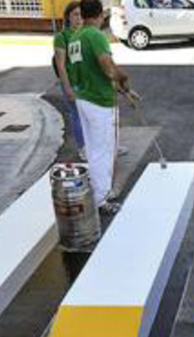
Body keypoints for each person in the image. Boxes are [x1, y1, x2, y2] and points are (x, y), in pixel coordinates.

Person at [68, 0, 130, 213]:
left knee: (94, 150)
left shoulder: (75, 37)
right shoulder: (95, 35)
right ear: (99, 15)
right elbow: (106, 65)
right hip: (99, 101)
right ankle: (101, 198)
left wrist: (117, 85)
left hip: (83, 98)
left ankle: (97, 192)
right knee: (104, 150)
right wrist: (122, 78)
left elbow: (87, 69)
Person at [54, 2, 86, 160]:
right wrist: (68, 88)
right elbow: (60, 65)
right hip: (73, 83)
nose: (79, 18)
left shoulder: (87, 34)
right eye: (75, 15)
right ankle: (83, 148)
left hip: (88, 83)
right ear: (68, 17)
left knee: (92, 116)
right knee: (78, 116)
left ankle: (101, 145)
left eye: (81, 15)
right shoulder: (62, 37)